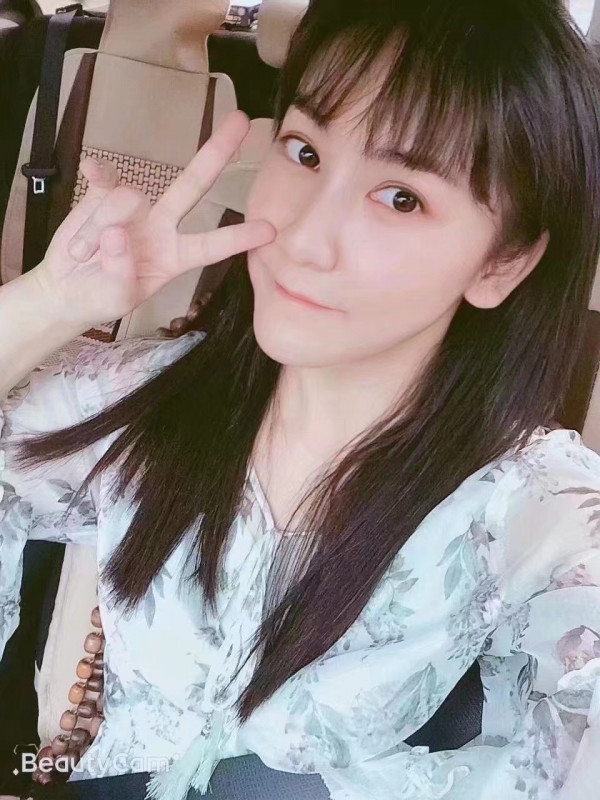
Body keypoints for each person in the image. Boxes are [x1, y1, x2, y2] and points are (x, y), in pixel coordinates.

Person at [2, 0, 600, 798]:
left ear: (503, 264)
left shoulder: (532, 511)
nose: (308, 236)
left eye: (402, 198)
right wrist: (50, 304)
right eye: (305, 151)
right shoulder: (153, 398)